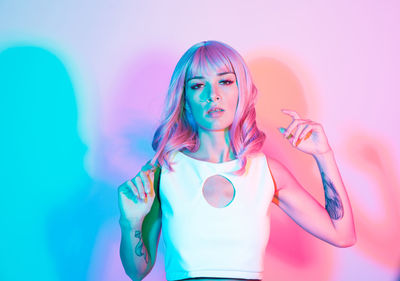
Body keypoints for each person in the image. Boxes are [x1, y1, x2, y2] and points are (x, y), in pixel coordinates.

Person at [117, 40, 356, 281]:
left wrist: (323, 155)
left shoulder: (266, 172)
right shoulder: (164, 171)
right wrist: (131, 222)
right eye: (198, 85)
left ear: (242, 90)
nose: (213, 95)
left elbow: (342, 235)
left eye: (225, 81)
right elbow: (137, 271)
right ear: (185, 98)